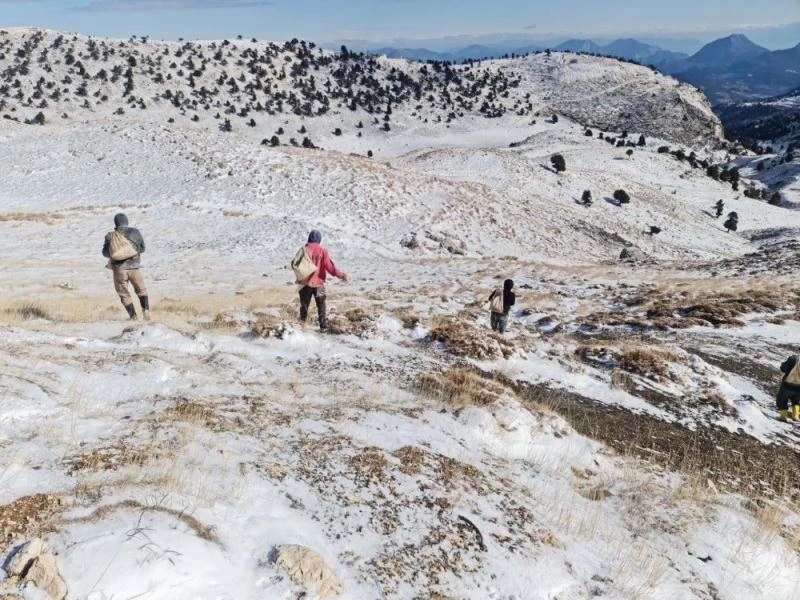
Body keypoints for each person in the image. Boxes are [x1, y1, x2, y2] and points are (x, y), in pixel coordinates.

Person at [294, 230, 347, 331]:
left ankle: (301, 326)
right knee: (321, 306)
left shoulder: (304, 249)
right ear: (319, 239)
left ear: (309, 238)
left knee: (304, 306)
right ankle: (323, 327)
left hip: (304, 283)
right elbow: (330, 268)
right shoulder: (323, 251)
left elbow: (295, 264)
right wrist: (341, 275)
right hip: (319, 283)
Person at [102, 213, 149, 321]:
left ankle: (133, 317)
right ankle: (146, 312)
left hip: (119, 270)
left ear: (116, 223)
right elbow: (142, 249)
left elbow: (105, 253)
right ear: (127, 221)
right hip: (134, 268)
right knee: (141, 290)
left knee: (124, 294)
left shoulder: (110, 236)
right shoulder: (135, 232)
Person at [777, 352, 800, 421]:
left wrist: (782, 365)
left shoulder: (793, 358)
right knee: (796, 401)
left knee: (782, 400)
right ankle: (796, 415)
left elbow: (783, 368)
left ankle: (783, 417)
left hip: (788, 384)